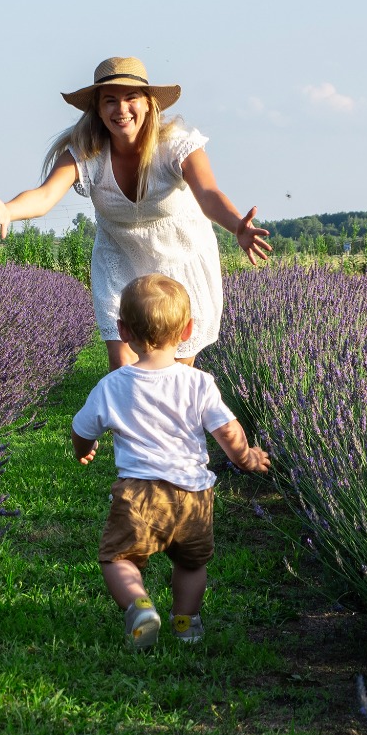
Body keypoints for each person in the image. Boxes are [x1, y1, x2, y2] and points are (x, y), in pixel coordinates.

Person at [0, 56, 271, 369]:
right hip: (120, 261)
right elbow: (45, 195)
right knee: (123, 365)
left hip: (180, 262)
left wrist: (236, 225)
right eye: (110, 100)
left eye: (131, 98)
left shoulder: (177, 146)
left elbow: (208, 195)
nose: (121, 109)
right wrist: (8, 210)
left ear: (149, 104)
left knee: (174, 372)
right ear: (98, 109)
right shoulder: (86, 154)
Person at [69, 274, 270, 649]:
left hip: (138, 495)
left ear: (123, 331)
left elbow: (81, 428)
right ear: (188, 330)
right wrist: (247, 458)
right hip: (193, 495)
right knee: (191, 563)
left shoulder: (113, 385)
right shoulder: (199, 382)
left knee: (119, 559)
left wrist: (84, 449)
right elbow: (228, 432)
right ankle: (186, 623)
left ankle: (140, 606)